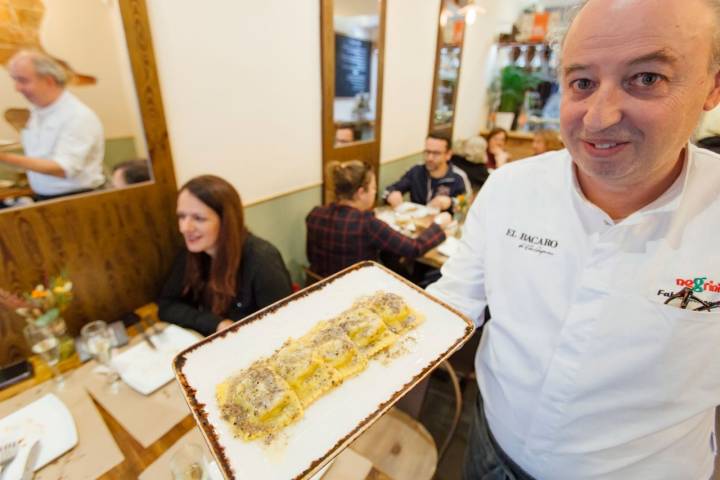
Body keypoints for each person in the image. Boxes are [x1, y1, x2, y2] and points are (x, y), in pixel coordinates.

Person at [426, 0, 720, 478]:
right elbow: (453, 302)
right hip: (489, 450)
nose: (599, 117)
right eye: (582, 82)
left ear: (712, 86)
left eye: (646, 78)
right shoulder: (509, 189)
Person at [158, 175, 293, 336]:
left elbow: (285, 326)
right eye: (181, 216)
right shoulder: (193, 251)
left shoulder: (262, 260)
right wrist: (217, 324)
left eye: (198, 218)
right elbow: (167, 305)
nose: (185, 228)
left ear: (226, 221)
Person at [306, 160, 451, 278]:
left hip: (321, 286)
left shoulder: (315, 214)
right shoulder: (367, 225)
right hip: (357, 294)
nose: (375, 192)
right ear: (361, 192)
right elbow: (414, 248)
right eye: (374, 188)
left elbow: (310, 256)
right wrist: (438, 226)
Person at [0, 50, 104, 200]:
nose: (17, 88)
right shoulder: (37, 112)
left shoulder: (77, 116)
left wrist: (4, 157)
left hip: (76, 199)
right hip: (43, 196)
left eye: (22, 81)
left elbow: (63, 169)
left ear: (49, 81)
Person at [383, 133, 471, 213]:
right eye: (427, 152)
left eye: (436, 153)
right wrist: (391, 194)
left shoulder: (458, 177)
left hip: (444, 226)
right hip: (416, 224)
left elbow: (467, 205)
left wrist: (450, 202)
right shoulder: (416, 171)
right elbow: (390, 189)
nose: (430, 158)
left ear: (448, 155)